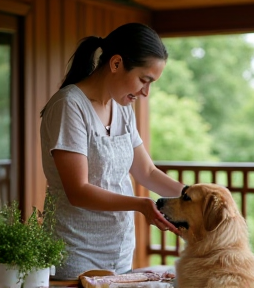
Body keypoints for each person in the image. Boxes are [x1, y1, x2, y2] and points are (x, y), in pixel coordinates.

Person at [40, 22, 185, 280]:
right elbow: (78, 191)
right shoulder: (69, 106)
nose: (146, 93)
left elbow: (147, 172)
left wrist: (193, 197)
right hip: (74, 252)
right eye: (144, 80)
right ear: (116, 64)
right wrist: (141, 205)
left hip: (119, 250)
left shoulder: (123, 110)